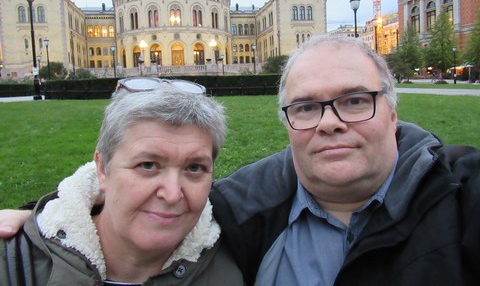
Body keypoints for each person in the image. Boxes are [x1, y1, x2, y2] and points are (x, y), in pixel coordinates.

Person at [2, 35, 480, 285]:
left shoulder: (464, 193)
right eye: (307, 107)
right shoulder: (244, 209)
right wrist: (38, 224)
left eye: (355, 100)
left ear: (393, 111)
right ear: (287, 122)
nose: (330, 122)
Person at [0, 77, 243, 285]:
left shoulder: (240, 260)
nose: (172, 194)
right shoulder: (14, 265)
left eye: (194, 168)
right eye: (148, 165)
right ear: (103, 168)